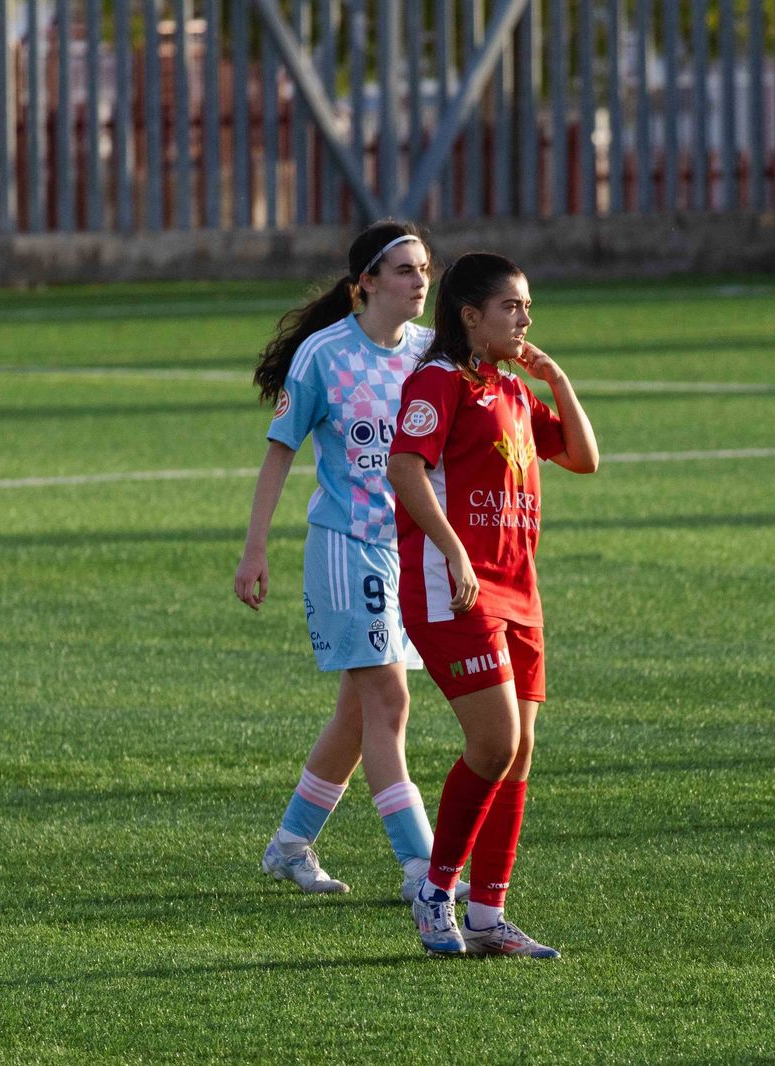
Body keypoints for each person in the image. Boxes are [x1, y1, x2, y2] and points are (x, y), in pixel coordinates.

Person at [235, 220, 466, 904]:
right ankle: (423, 868)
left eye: (424, 268)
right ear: (364, 282)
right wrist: (255, 549)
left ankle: (289, 847)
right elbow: (280, 449)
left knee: (358, 718)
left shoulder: (431, 354)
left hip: (409, 550)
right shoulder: (322, 355)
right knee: (390, 701)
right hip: (346, 547)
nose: (420, 281)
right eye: (403, 270)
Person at [386, 253, 599, 958]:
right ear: (470, 316)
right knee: (495, 743)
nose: (526, 318)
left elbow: (581, 456)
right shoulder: (438, 382)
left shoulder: (508, 389)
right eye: (512, 307)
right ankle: (435, 893)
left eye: (528, 306)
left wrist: (557, 379)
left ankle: (487, 915)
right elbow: (405, 467)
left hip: (518, 589)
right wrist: (448, 549)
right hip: (456, 586)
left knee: (521, 749)